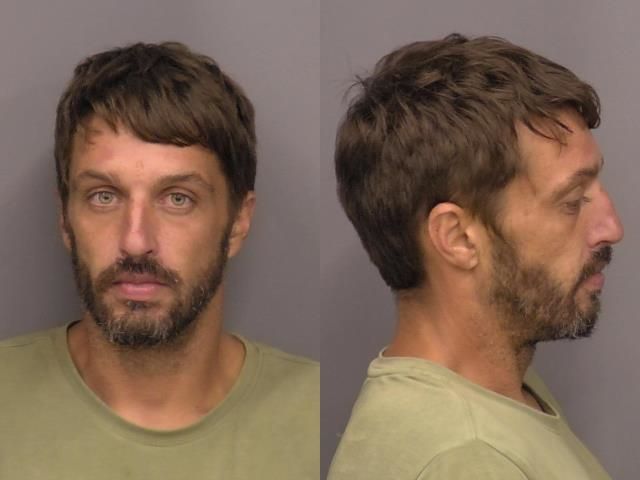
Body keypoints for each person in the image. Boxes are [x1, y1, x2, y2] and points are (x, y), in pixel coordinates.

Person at [0, 42, 318, 479]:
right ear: (65, 218)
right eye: (104, 196)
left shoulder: (314, 418)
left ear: (238, 222)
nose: (135, 242)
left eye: (177, 199)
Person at [328, 34, 622, 479]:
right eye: (572, 200)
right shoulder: (467, 457)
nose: (612, 228)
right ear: (459, 237)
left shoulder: (496, 392)